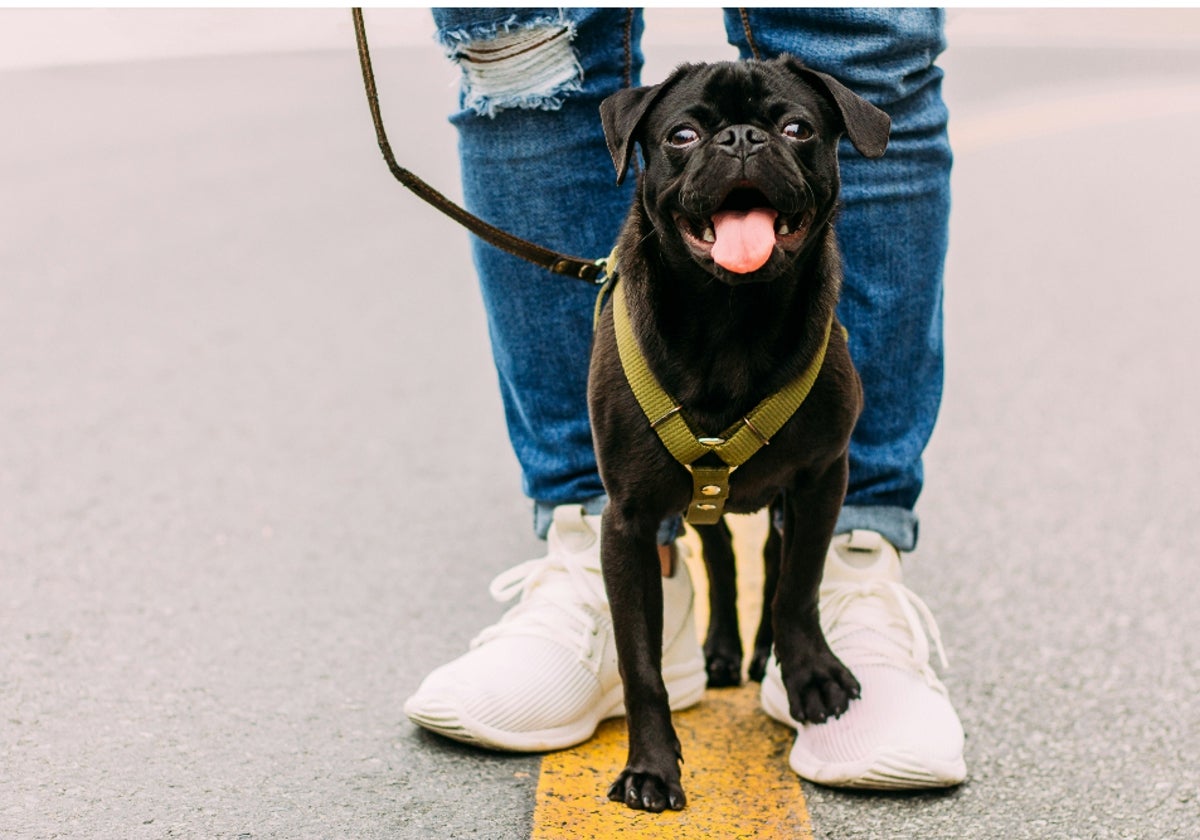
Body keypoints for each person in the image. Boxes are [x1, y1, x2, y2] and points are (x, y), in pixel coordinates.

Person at [404, 7, 966, 790]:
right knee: (517, 40)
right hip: (650, 371)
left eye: (792, 131)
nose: (739, 148)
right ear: (635, 151)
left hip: (802, 388)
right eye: (687, 138)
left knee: (861, 33)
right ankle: (591, 546)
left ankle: (836, 582)